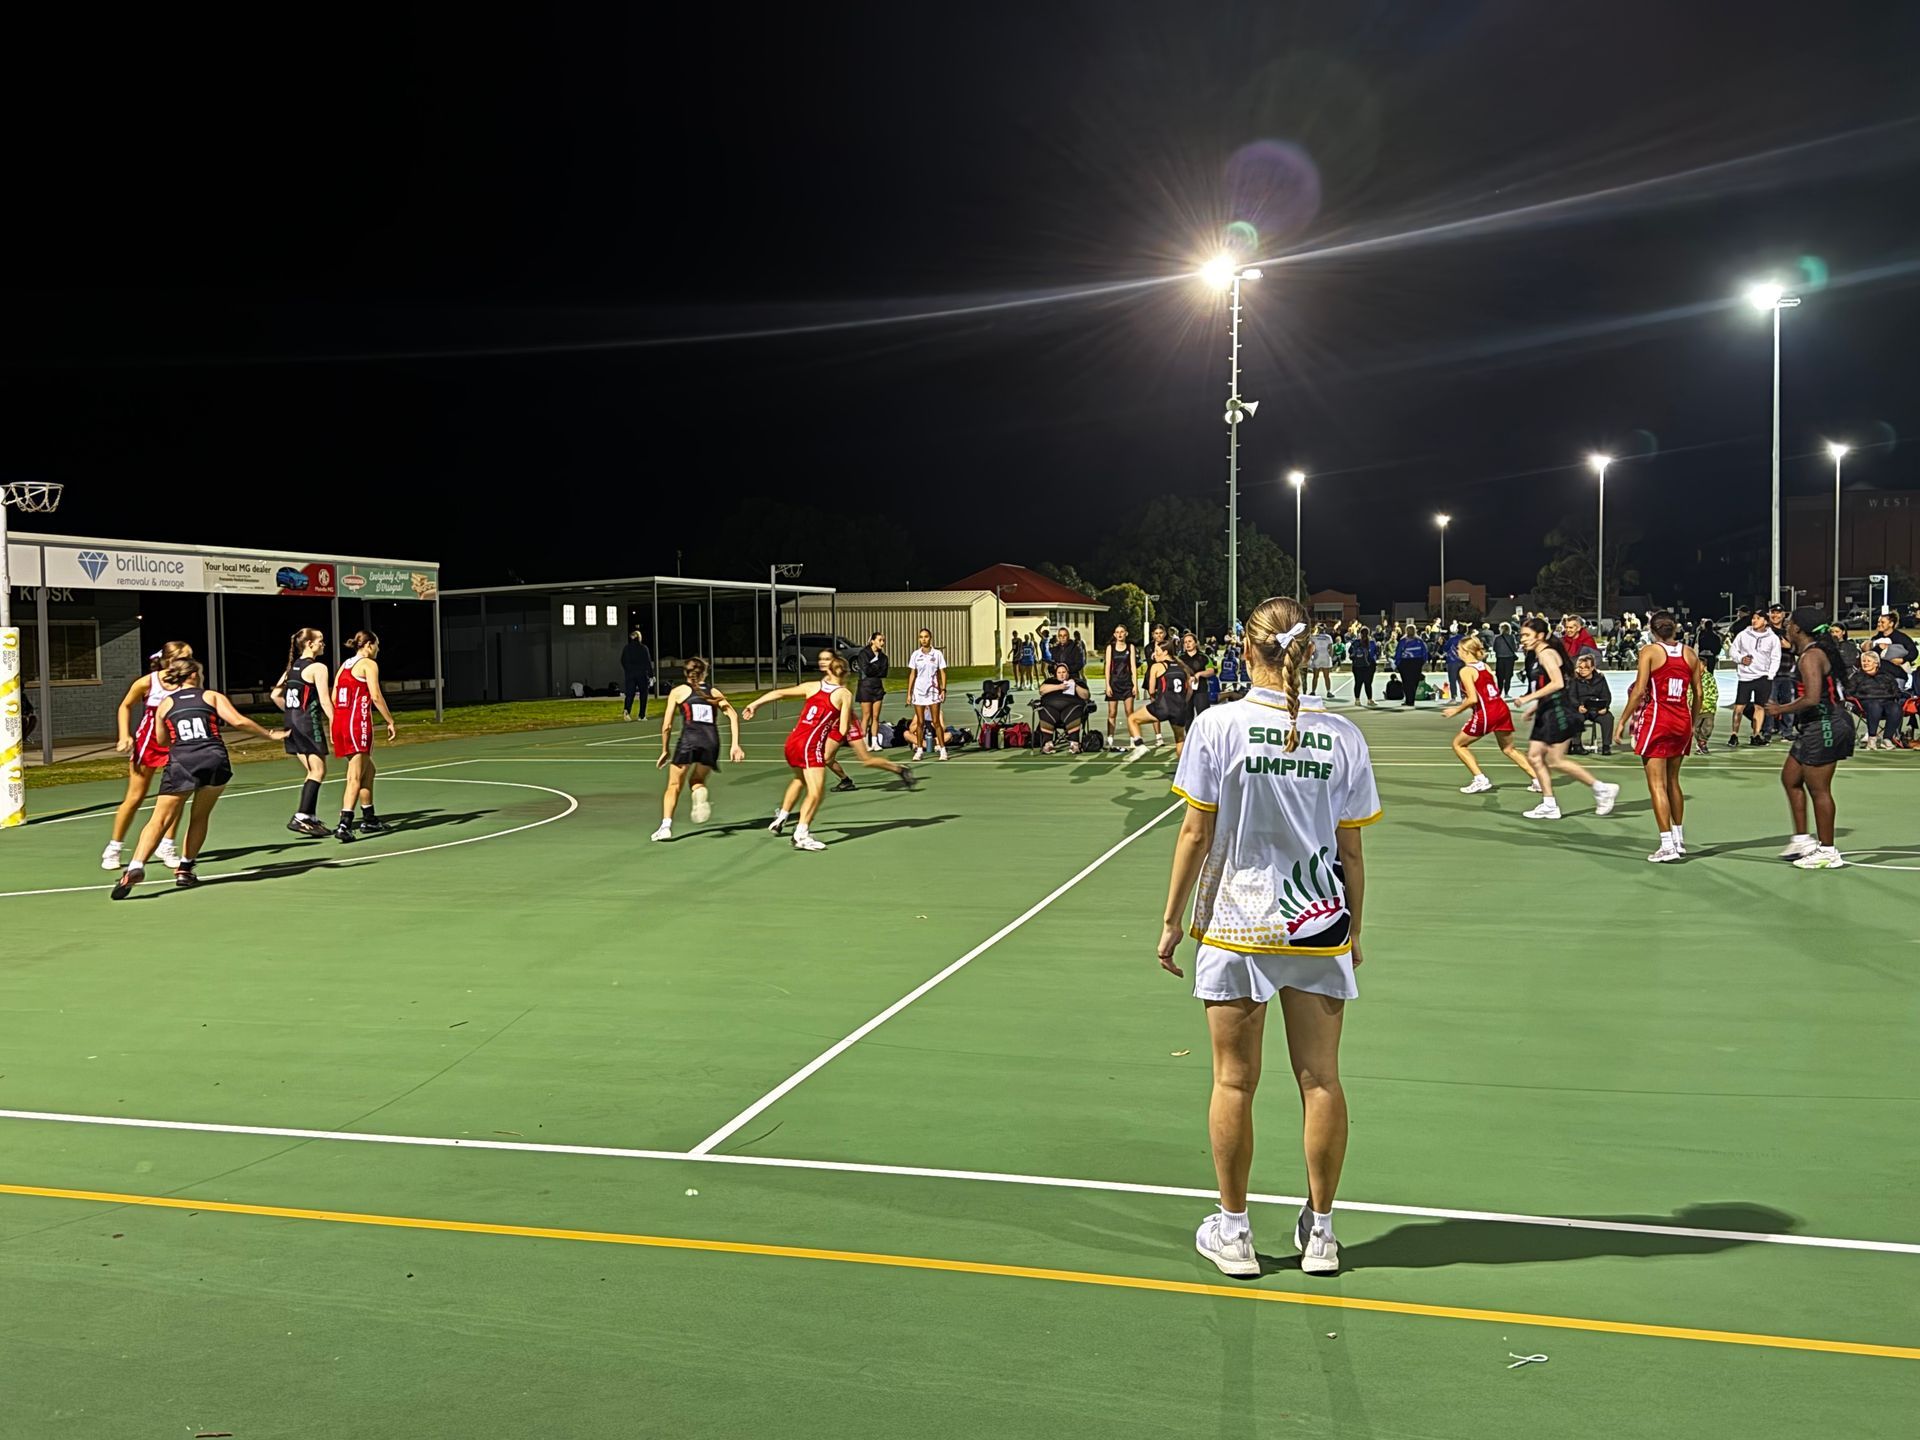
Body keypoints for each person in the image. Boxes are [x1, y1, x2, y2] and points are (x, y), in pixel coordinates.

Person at [1157, 595, 1380, 1279]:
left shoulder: (1217, 726)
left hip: (1237, 923)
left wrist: (1170, 924)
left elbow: (1195, 833)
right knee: (1322, 1082)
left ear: (1246, 650)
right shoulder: (1342, 736)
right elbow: (1351, 853)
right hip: (1318, 923)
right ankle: (1322, 1234)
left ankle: (1234, 1232)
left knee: (1234, 1082)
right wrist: (1355, 931)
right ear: (1307, 654)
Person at [109, 657, 287, 898]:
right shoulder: (211, 697)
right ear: (193, 675)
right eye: (200, 673)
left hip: (182, 761)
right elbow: (238, 721)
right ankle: (185, 867)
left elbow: (162, 741)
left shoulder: (165, 704)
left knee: (158, 820)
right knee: (200, 816)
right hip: (213, 759)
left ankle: (136, 866)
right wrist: (269, 734)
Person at [1765, 609, 1856, 869]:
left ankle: (1828, 851)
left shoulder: (1811, 656)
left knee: (1819, 789)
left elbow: (1813, 698)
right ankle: (1803, 839)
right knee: (1790, 778)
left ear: (1798, 629)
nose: (1786, 626)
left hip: (1826, 724)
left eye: (1790, 623)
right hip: (1814, 724)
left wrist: (1779, 710)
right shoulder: (1807, 653)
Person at [742, 654, 855, 851]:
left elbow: (779, 693)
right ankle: (801, 834)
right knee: (816, 792)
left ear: (828, 670)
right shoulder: (844, 694)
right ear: (846, 673)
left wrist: (755, 704)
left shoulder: (812, 686)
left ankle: (782, 817)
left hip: (793, 741)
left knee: (800, 780)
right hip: (810, 745)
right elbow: (844, 729)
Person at [1614, 611, 1703, 862]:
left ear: (1652, 630)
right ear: (1675, 629)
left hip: (1658, 719)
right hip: (1682, 720)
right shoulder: (1689, 654)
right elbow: (1698, 692)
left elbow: (1640, 689)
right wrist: (1692, 721)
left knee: (1656, 784)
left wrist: (1622, 720)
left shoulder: (1650, 652)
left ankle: (1666, 845)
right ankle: (1678, 838)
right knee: (1673, 780)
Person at [1512, 617, 1620, 821]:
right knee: (1535, 757)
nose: (1523, 639)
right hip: (1548, 709)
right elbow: (1548, 686)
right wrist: (1536, 707)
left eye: (1527, 635)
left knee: (1555, 760)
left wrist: (1528, 698)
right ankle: (1549, 804)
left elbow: (1558, 683)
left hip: (1559, 712)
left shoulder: (1546, 654)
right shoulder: (1538, 655)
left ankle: (1602, 788)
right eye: (1522, 635)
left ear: (1540, 636)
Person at [101, 642, 191, 873]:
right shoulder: (147, 682)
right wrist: (124, 735)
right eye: (183, 657)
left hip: (176, 742)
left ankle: (167, 845)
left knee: (175, 798)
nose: (187, 662)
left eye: (190, 657)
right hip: (149, 744)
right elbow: (125, 706)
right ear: (167, 660)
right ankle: (114, 847)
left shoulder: (190, 680)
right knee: (135, 797)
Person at [651, 657, 745, 842]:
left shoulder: (678, 692)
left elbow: (667, 726)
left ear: (685, 673)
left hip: (689, 740)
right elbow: (733, 715)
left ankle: (665, 826)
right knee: (697, 779)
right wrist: (735, 744)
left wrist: (665, 750)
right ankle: (700, 792)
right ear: (705, 673)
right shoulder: (714, 692)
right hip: (711, 742)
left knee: (673, 785)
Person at [1440, 635, 1535, 794]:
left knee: (1459, 744)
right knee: (1509, 749)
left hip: (1487, 712)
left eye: (1459, 649)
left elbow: (1472, 698)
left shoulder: (1466, 670)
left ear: (1466, 651)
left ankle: (1480, 779)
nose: (1457, 651)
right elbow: (1493, 688)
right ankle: (1537, 780)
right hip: (1501, 708)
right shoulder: (1484, 666)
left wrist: (1455, 710)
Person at [331, 630, 399, 841]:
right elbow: (376, 695)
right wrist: (390, 720)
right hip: (356, 724)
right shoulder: (369, 664)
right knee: (355, 776)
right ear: (369, 644)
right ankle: (345, 824)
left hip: (342, 723)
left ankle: (369, 818)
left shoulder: (345, 665)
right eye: (377, 644)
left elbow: (334, 695)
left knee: (368, 771)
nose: (378, 649)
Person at [269, 627, 336, 838]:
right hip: (307, 723)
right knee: (318, 771)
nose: (323, 644)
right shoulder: (318, 668)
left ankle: (310, 817)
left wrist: (292, 712)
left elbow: (275, 695)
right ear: (309, 644)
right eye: (320, 640)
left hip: (291, 722)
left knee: (312, 771)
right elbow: (325, 700)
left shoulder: (293, 667)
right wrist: (335, 722)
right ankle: (302, 816)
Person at [1131, 639, 1193, 757]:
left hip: (1163, 705)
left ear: (1165, 652)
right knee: (1180, 739)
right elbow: (1189, 689)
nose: (1154, 654)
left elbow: (1151, 690)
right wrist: (1182, 702)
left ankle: (1139, 746)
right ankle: (1184, 771)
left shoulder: (1157, 666)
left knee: (1132, 719)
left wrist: (1158, 699)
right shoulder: (1182, 666)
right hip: (1179, 708)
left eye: (1157, 651)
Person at [1727, 609, 1779, 747]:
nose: (1754, 621)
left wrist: (1770, 675)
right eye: (1753, 618)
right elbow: (1733, 650)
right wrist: (1740, 659)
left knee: (1760, 707)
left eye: (1758, 618)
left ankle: (1756, 735)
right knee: (1739, 707)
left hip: (1763, 677)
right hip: (1745, 677)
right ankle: (1734, 734)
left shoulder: (1772, 638)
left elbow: (1775, 657)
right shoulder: (1743, 635)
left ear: (1765, 621)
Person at [904, 629, 949, 762]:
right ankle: (919, 750)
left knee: (936, 722)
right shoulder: (915, 655)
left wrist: (943, 689)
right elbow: (912, 674)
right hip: (919, 692)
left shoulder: (937, 654)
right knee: (920, 722)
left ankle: (942, 749)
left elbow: (943, 673)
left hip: (933, 692)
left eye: (926, 637)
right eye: (921, 637)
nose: (923, 639)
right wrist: (909, 692)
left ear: (930, 638)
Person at [1849, 648, 1904, 750]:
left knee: (1896, 708)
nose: (1865, 663)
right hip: (1865, 703)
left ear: (1876, 663)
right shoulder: (1857, 677)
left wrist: (1898, 696)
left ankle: (1887, 738)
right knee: (1875, 706)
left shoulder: (1886, 676)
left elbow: (1896, 690)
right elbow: (1848, 692)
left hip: (1887, 701)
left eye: (1868, 661)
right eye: (1863, 661)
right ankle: (1872, 738)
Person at [1036, 661, 1092, 753]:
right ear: (1056, 674)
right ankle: (1047, 744)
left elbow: (1086, 696)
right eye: (1059, 673)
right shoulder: (1050, 681)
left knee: (1075, 710)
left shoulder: (1077, 681)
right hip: (1051, 710)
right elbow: (1042, 690)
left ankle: (1074, 743)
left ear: (1068, 673)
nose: (1061, 675)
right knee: (1044, 710)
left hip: (1071, 709)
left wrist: (1075, 686)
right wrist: (1059, 687)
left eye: (1063, 672)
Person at [1762, 604, 1797, 743]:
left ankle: (1787, 731)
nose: (1775, 615)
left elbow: (1799, 649)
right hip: (1770, 673)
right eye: (1773, 612)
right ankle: (1767, 731)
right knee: (1770, 703)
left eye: (1778, 613)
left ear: (1783, 614)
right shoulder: (1765, 630)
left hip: (1787, 672)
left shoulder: (1790, 630)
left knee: (1788, 703)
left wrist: (1790, 647)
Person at [1567, 653, 1614, 756]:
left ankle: (1606, 746)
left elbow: (1606, 695)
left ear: (1592, 668)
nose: (1582, 670)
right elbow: (1571, 696)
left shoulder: (1600, 678)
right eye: (1580, 667)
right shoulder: (1574, 679)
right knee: (1575, 717)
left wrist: (1605, 707)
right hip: (1580, 708)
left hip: (1596, 708)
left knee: (1608, 718)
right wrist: (1578, 706)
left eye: (1586, 668)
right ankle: (1576, 745)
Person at [1102, 625, 1138, 744]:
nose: (1120, 634)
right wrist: (1107, 685)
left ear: (1126, 633)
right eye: (1117, 632)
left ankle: (1133, 738)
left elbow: (1133, 666)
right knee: (1112, 712)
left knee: (1129, 712)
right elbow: (1107, 667)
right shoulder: (1110, 648)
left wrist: (1135, 685)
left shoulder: (1130, 647)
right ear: (1114, 634)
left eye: (1122, 632)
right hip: (1114, 683)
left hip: (1127, 683)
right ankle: (1110, 737)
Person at [855, 633, 889, 744]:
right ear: (872, 641)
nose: (882, 643)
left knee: (876, 716)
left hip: (877, 687)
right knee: (866, 715)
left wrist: (873, 668)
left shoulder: (883, 657)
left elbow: (883, 672)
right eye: (880, 640)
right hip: (865, 686)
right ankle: (864, 742)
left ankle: (875, 742)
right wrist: (875, 668)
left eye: (883, 640)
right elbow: (866, 670)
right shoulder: (863, 654)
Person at [619, 627, 655, 722]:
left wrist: (628, 670)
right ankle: (642, 715)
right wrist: (651, 675)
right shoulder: (643, 648)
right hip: (642, 674)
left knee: (630, 694)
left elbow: (622, 660)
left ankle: (627, 711)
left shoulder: (627, 648)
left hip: (630, 674)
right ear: (639, 638)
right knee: (643, 694)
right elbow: (648, 662)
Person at [1179, 632, 1217, 716]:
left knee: (1203, 717)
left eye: (1190, 641)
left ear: (1195, 643)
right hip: (1185, 691)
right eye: (1185, 642)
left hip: (1201, 691)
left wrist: (1199, 674)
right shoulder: (1180, 658)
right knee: (1187, 719)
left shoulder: (1204, 657)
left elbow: (1211, 671)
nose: (1187, 644)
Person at [1392, 625, 1428, 707]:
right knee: (1414, 681)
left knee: (1406, 682)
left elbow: (1398, 653)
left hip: (1405, 663)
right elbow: (1425, 652)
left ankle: (1409, 699)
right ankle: (1411, 699)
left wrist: (1397, 664)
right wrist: (1423, 661)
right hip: (1416, 662)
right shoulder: (1419, 641)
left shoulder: (1403, 641)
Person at [1692, 666, 1722, 756]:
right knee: (1696, 728)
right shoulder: (1691, 677)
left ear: (1705, 667)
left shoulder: (1709, 678)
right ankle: (1700, 742)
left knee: (1708, 726)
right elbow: (1689, 692)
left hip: (1708, 708)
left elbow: (1714, 692)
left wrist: (1709, 703)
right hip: (1696, 709)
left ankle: (1702, 742)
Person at [1347, 625, 1379, 708]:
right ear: (1369, 633)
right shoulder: (1372, 642)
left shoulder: (1356, 642)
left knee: (1358, 683)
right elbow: (1375, 653)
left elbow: (1350, 651)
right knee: (1368, 683)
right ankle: (1369, 700)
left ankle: (1357, 700)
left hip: (1357, 666)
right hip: (1369, 665)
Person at [1306, 625, 1335, 698]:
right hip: (1325, 657)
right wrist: (1330, 657)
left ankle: (1313, 691)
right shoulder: (1328, 637)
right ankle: (1328, 692)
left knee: (1315, 676)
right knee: (1326, 676)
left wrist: (1310, 656)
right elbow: (1331, 649)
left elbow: (1311, 648)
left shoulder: (1314, 637)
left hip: (1317, 658)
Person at [1492, 623, 1520, 694]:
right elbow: (1514, 648)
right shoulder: (1511, 637)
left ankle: (1499, 690)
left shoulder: (1497, 638)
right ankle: (1506, 692)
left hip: (1500, 658)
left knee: (1500, 675)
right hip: (1509, 658)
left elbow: (1494, 648)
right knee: (1508, 675)